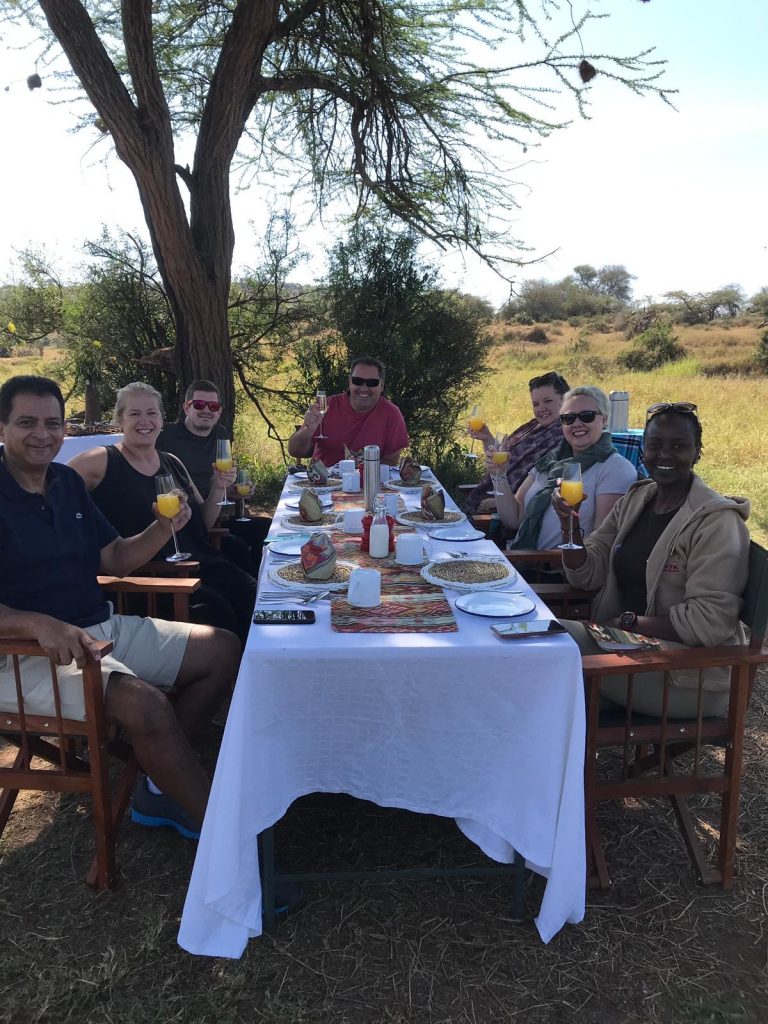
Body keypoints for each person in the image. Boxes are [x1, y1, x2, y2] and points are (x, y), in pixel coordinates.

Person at [0, 374, 239, 840]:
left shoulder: (65, 482)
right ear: (2, 426)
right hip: (20, 656)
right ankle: (224, 842)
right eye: (27, 422)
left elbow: (114, 558)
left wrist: (159, 528)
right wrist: (34, 622)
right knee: (145, 704)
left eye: (53, 423)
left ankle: (156, 782)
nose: (43, 434)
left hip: (97, 627)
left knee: (223, 649)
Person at [554, 402, 751, 718]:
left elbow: (709, 621)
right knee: (541, 675)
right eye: (655, 445)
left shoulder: (716, 522)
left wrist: (628, 623)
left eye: (678, 445)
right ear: (642, 451)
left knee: (549, 641)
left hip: (685, 674)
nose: (665, 454)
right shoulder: (637, 500)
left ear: (697, 452)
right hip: (624, 651)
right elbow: (586, 574)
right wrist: (570, 524)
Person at [69, 382, 258, 649]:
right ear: (120, 420)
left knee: (256, 596)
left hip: (203, 565)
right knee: (220, 611)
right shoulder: (101, 461)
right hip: (156, 581)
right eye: (134, 414)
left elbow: (201, 524)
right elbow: (54, 490)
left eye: (152, 413)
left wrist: (219, 485)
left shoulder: (172, 461)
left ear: (161, 420)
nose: (144, 421)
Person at [493, 385, 637, 550]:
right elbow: (513, 519)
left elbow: (600, 543)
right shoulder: (550, 462)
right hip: (524, 561)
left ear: (603, 420)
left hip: (554, 570)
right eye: (568, 418)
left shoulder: (615, 468)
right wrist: (499, 475)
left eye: (587, 416)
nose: (576, 423)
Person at [157, 379, 271, 573]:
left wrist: (233, 491)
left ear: (219, 412)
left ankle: (264, 588)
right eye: (199, 405)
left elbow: (219, 481)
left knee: (268, 530)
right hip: (188, 523)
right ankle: (252, 594)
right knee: (238, 548)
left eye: (214, 406)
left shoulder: (220, 433)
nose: (207, 410)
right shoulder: (166, 436)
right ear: (186, 407)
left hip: (216, 514)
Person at [464, 371, 570, 515]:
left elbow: (545, 487)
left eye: (548, 401)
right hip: (492, 495)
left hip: (508, 512)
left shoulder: (566, 436)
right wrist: (487, 438)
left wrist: (498, 502)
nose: (541, 408)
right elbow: (502, 460)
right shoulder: (533, 426)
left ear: (565, 400)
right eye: (536, 404)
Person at [288, 356, 409, 467]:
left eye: (372, 383)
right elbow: (295, 451)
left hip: (367, 484)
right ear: (350, 382)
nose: (364, 388)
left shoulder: (391, 413)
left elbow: (390, 462)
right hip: (325, 484)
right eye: (357, 381)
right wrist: (307, 430)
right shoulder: (327, 407)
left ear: (381, 386)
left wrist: (355, 473)